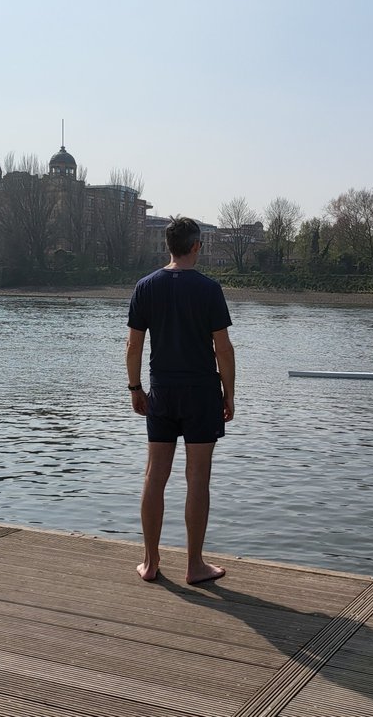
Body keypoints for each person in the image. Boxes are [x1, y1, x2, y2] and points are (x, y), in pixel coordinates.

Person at [126, 217, 236, 585]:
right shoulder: (209, 289)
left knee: (154, 475)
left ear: (168, 246)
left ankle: (150, 561)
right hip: (201, 394)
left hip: (162, 390)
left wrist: (135, 388)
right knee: (197, 479)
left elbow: (133, 345)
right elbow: (223, 349)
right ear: (196, 246)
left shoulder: (146, 286)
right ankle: (194, 565)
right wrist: (229, 394)